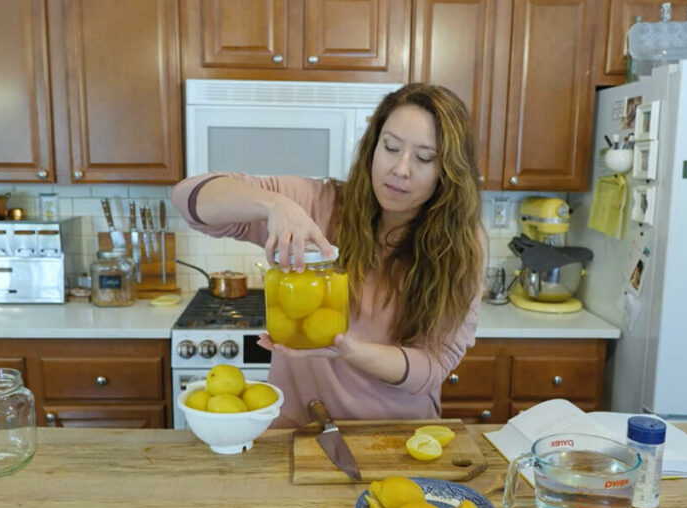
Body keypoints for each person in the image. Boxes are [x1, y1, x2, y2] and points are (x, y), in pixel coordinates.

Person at [171, 83, 485, 427]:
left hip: (396, 436)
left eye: (424, 158)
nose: (401, 169)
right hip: (296, 430)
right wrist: (274, 204)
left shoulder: (461, 245)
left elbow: (434, 365)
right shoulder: (319, 205)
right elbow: (189, 199)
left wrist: (349, 350)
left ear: (448, 172)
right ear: (373, 147)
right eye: (391, 147)